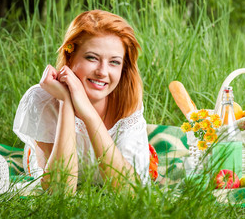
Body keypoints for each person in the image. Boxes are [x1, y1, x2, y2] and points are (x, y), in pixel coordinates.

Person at [13, 10, 150, 192]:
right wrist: (66, 102)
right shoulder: (42, 99)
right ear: (70, 57)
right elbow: (60, 193)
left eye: (114, 62)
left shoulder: (127, 99)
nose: (102, 71)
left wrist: (88, 113)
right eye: (92, 58)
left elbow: (131, 191)